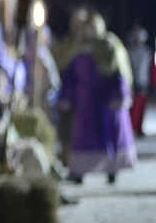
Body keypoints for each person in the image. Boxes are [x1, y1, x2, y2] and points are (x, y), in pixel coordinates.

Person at [57, 10, 136, 184]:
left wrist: (121, 94)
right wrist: (66, 97)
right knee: (82, 138)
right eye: (84, 28)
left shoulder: (108, 45)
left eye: (90, 27)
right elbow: (70, 76)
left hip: (106, 102)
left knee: (107, 137)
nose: (87, 32)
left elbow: (119, 72)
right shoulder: (75, 48)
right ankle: (78, 172)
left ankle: (111, 170)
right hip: (84, 102)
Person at [126, 24, 150, 135]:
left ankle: (139, 128)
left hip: (144, 81)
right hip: (134, 81)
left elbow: (149, 67)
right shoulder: (130, 51)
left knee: (142, 105)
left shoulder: (147, 51)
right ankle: (132, 127)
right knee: (134, 106)